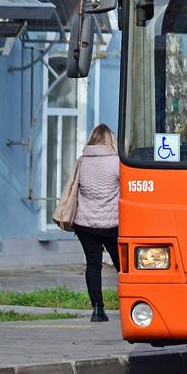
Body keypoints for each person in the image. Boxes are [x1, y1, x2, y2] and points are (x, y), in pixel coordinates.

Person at [74, 123, 121, 322]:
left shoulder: (81, 161)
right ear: (110, 139)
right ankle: (132, 305)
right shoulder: (117, 162)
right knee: (124, 267)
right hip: (112, 225)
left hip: (85, 224)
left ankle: (97, 310)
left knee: (93, 265)